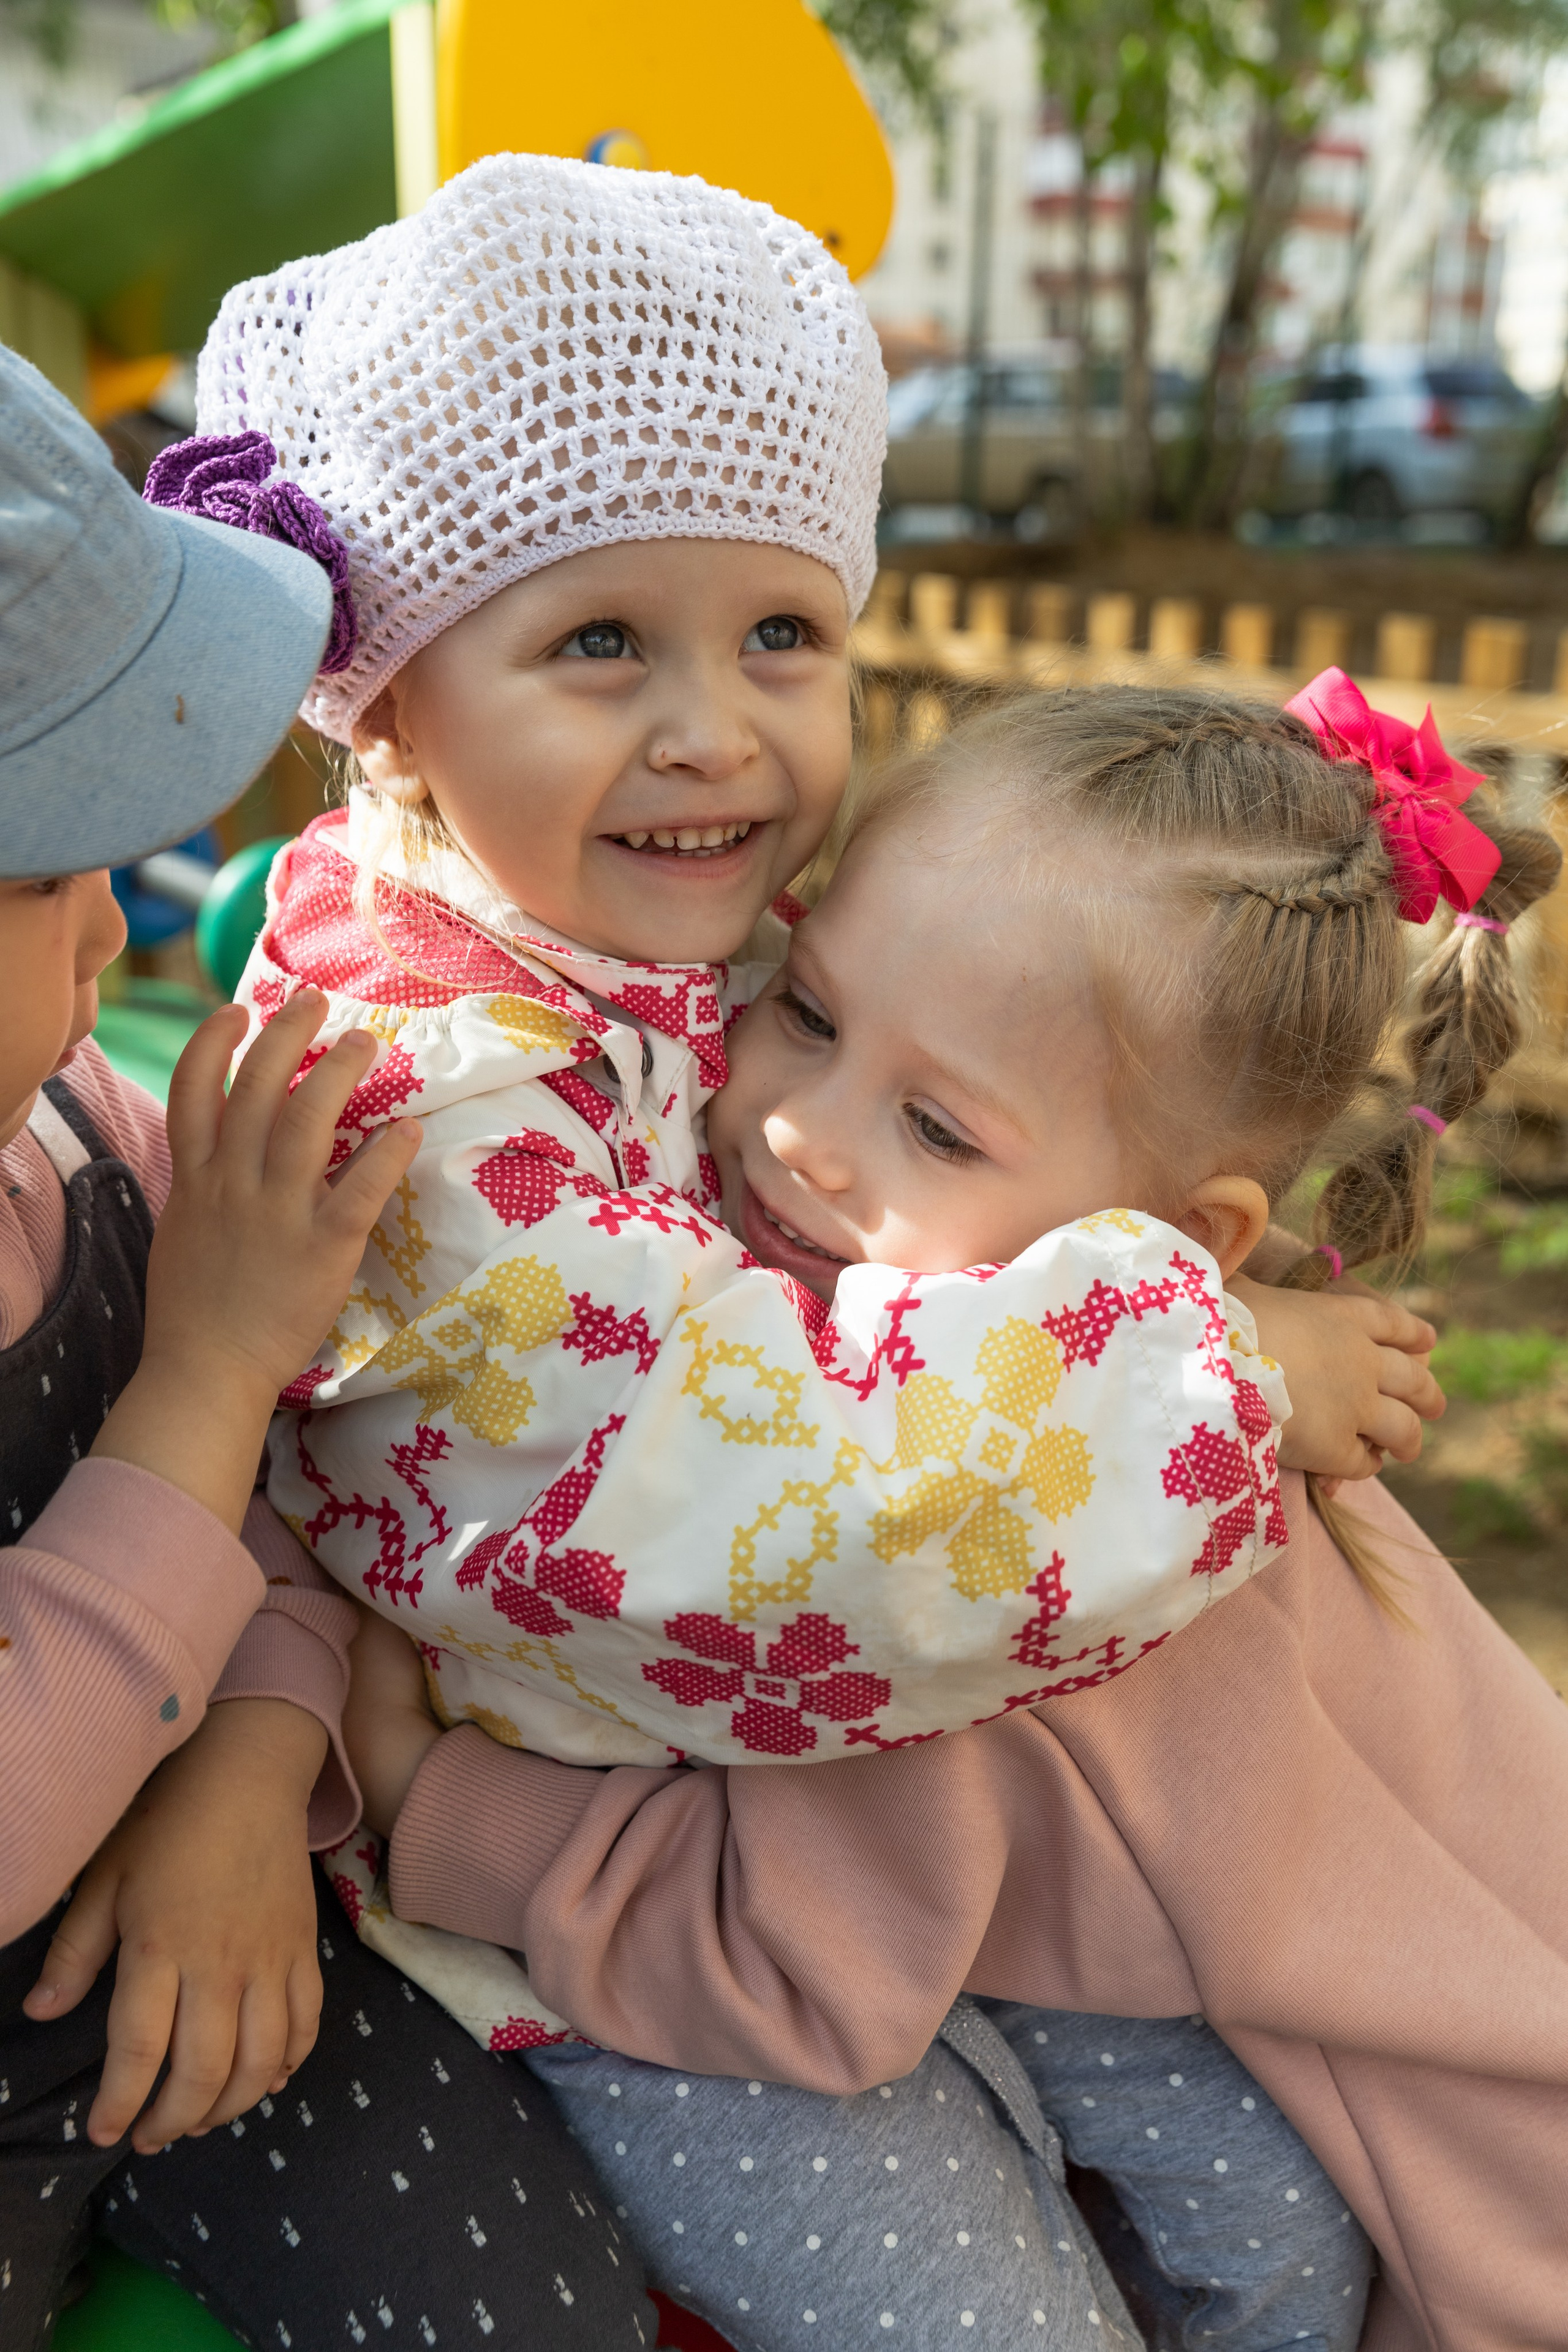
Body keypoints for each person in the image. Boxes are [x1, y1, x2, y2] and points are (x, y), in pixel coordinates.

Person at [121, 156, 1446, 2349]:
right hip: (585, 1925)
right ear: (396, 698)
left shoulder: (598, 947)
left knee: (1281, 2219)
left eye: (782, 634)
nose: (716, 727)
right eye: (600, 642)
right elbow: (770, 1518)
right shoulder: (427, 1101)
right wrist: (1207, 1370)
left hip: (798, 1827)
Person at [344, 680, 1568, 2352]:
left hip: (714, 1938)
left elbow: (822, 1929)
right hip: (665, 1970)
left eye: (934, 1126)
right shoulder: (732, 1264)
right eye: (808, 1010)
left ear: (1172, 1246)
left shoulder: (1013, 1527)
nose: (796, 1134)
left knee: (1271, 2233)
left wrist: (440, 1803)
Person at [0, 347, 660, 2350]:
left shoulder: (72, 1130)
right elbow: (218, 1416)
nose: (116, 932)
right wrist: (203, 1376)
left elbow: (298, 1481)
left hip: (199, 1935)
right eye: (45, 871)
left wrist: (255, 1762)